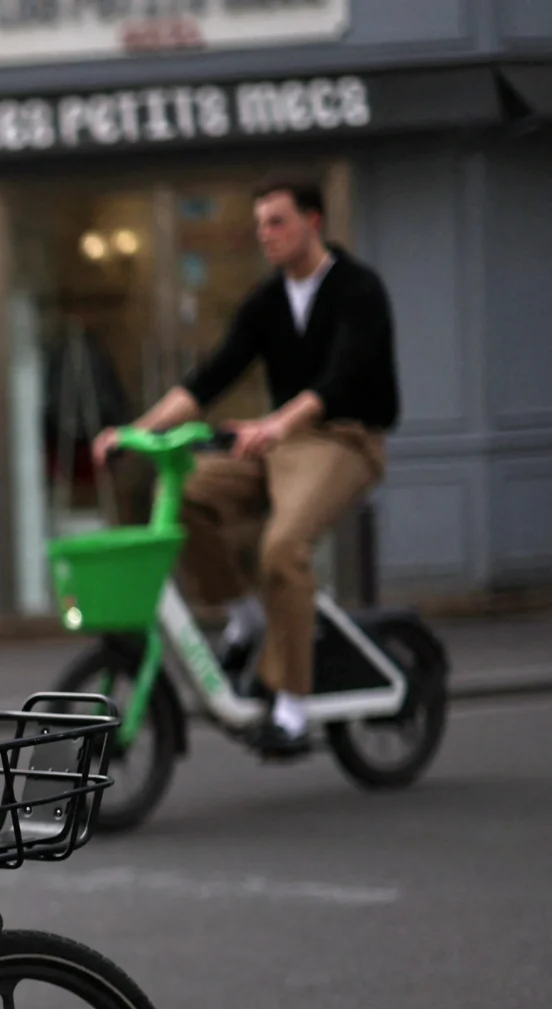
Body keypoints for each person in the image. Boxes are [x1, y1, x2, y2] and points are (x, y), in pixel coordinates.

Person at [94, 178, 398, 758]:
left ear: (313, 221)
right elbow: (210, 378)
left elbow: (341, 379)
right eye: (260, 224)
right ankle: (245, 616)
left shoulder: (358, 289)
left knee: (283, 548)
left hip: (343, 441)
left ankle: (291, 704)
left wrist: (279, 424)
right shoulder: (267, 301)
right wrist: (135, 431)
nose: (266, 234)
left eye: (277, 221)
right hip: (276, 443)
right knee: (184, 490)